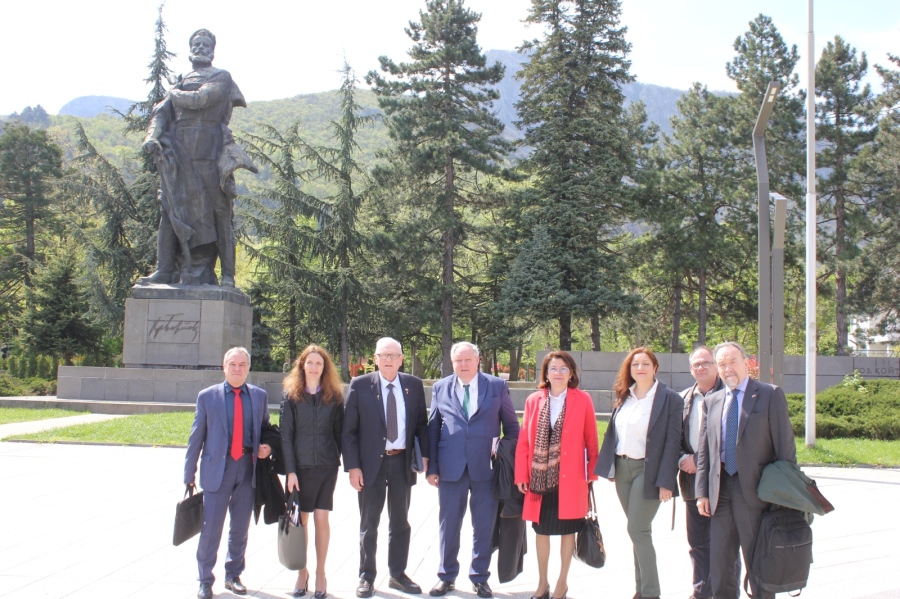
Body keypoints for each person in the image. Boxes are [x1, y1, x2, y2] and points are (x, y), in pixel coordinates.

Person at [140, 28, 257, 287]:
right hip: (178, 154)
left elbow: (199, 100)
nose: (200, 48)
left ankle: (227, 275)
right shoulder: (180, 81)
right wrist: (152, 136)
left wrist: (172, 91)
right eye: (196, 44)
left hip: (211, 155)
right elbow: (161, 113)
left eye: (205, 44)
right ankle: (165, 270)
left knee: (220, 214)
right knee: (170, 210)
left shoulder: (220, 76)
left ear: (213, 50)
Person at [696, 342, 797, 599]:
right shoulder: (712, 401)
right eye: (722, 364)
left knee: (758, 559)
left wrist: (786, 495)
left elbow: (785, 448)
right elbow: (705, 450)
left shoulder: (769, 394)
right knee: (721, 562)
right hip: (720, 491)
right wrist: (702, 492)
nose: (728, 368)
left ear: (745, 362)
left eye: (733, 362)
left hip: (756, 490)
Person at [427, 342, 520, 599]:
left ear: (478, 360)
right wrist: (432, 468)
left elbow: (512, 428)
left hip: (486, 469)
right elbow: (433, 428)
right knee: (449, 525)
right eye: (459, 360)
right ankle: (446, 576)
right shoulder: (441, 387)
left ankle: (479, 577)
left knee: (484, 525)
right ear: (452, 363)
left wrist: (502, 454)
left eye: (468, 360)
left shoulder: (496, 386)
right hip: (450, 468)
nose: (464, 365)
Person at [342, 337, 429, 598]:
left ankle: (397, 574)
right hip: (371, 465)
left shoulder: (413, 385)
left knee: (400, 521)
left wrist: (424, 457)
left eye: (394, 355)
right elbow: (349, 431)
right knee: (369, 523)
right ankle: (366, 576)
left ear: (401, 359)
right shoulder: (360, 385)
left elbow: (422, 424)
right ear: (375, 358)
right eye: (384, 355)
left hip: (402, 462)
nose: (389, 360)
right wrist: (353, 467)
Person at [595, 347, 683, 599]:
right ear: (629, 369)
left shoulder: (670, 399)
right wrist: (610, 466)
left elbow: (673, 443)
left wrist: (666, 481)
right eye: (635, 364)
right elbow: (613, 433)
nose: (640, 368)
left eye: (645, 363)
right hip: (623, 470)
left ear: (655, 368)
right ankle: (640, 589)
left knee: (637, 529)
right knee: (638, 531)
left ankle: (651, 592)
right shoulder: (625, 395)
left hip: (649, 471)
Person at [184, 347, 271, 599]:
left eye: (242, 364)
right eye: (232, 364)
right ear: (224, 367)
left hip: (247, 468)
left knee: (240, 527)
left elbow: (266, 429)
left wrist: (269, 447)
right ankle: (205, 580)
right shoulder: (207, 397)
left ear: (248, 368)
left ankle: (233, 575)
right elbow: (196, 438)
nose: (237, 368)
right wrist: (189, 473)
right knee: (211, 528)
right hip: (217, 471)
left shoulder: (259, 396)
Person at [515, 351, 599, 599]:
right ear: (546, 373)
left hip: (571, 478)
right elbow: (524, 441)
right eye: (553, 368)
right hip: (539, 480)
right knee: (541, 532)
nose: (558, 373)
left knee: (567, 531)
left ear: (571, 373)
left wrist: (592, 474)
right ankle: (542, 583)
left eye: (564, 368)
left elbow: (591, 439)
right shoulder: (534, 400)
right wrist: (521, 474)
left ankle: (562, 583)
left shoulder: (582, 399)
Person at [281, 345, 345, 599]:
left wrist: (344, 460)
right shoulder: (291, 396)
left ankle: (320, 573)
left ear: (325, 367)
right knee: (302, 520)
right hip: (301, 468)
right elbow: (286, 436)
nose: (314, 367)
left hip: (327, 467)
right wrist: (290, 471)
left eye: (319, 363)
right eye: (310, 362)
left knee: (321, 518)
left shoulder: (334, 397)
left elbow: (340, 433)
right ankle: (302, 571)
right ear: (302, 365)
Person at [679, 346, 740, 599]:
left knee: (724, 545)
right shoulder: (683, 398)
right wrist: (683, 460)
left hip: (722, 481)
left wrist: (700, 460)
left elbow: (731, 440)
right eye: (696, 364)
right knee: (697, 543)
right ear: (690, 369)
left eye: (706, 362)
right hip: (692, 480)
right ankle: (701, 592)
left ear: (716, 366)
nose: (701, 367)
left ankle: (725, 593)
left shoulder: (730, 396)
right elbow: (674, 438)